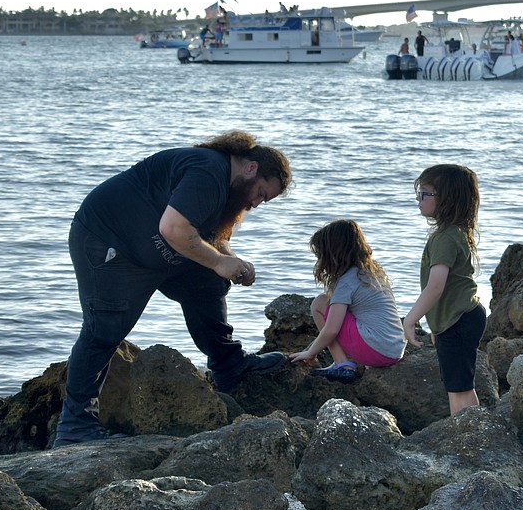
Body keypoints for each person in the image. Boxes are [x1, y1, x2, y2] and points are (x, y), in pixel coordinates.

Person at [53, 130, 293, 447]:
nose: (256, 203)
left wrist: (231, 261)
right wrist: (219, 262)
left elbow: (207, 237)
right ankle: (74, 427)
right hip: (109, 242)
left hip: (159, 252)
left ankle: (229, 367)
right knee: (105, 328)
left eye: (264, 200)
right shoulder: (208, 170)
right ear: (251, 168)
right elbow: (174, 228)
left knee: (208, 281)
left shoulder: (228, 188)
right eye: (261, 193)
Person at [403, 165, 486, 416]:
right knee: (460, 386)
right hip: (460, 318)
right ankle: (469, 433)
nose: (419, 199)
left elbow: (436, 286)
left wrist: (410, 319)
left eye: (425, 194)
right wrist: (439, 326)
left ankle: (468, 436)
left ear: (446, 199)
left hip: (459, 320)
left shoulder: (445, 238)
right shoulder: (455, 233)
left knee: (458, 389)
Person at [289, 220, 406, 383]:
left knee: (320, 304)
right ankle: (348, 361)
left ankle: (343, 365)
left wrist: (310, 353)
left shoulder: (346, 281)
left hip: (376, 351)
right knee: (336, 306)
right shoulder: (374, 273)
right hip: (395, 350)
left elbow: (331, 329)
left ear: (333, 254)